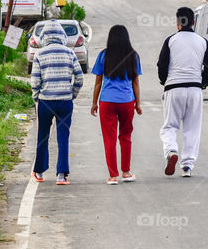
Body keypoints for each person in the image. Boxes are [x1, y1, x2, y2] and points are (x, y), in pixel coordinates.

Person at [157, 7, 208, 177]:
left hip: (174, 88)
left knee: (169, 126)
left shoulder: (170, 40)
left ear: (178, 23)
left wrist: (164, 81)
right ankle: (187, 166)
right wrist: (201, 83)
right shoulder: (203, 41)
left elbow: (162, 65)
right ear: (193, 22)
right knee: (192, 128)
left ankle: (171, 151)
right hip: (195, 89)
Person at [30, 20, 84, 185]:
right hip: (64, 101)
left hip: (45, 101)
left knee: (43, 136)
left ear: (44, 36)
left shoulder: (40, 54)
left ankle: (39, 172)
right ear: (62, 35)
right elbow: (80, 78)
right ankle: (62, 175)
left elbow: (35, 81)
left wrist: (36, 97)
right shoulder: (70, 53)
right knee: (63, 137)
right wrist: (72, 94)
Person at [90, 25, 142, 185]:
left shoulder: (103, 55)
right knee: (126, 136)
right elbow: (136, 82)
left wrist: (94, 103)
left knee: (109, 138)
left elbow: (98, 82)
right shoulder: (133, 56)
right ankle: (126, 172)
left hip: (107, 101)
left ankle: (113, 176)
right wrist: (138, 104)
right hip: (127, 101)